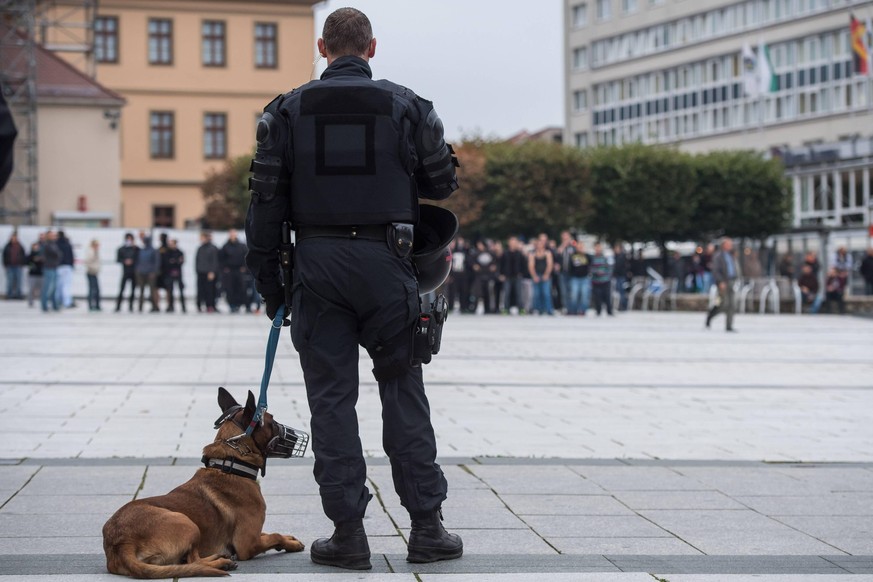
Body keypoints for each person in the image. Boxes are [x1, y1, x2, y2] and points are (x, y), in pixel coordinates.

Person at [245, 8, 462, 570]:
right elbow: (443, 181)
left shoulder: (285, 111)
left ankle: (348, 534)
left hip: (315, 267)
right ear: (371, 48)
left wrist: (273, 287)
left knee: (331, 403)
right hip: (389, 264)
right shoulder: (409, 106)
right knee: (402, 390)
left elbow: (264, 206)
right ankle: (427, 529)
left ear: (322, 47)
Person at [705, 238, 739, 332]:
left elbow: (734, 268)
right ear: (724, 245)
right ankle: (710, 315)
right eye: (729, 244)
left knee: (732, 304)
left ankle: (729, 325)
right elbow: (715, 270)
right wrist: (720, 281)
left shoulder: (731, 255)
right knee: (723, 304)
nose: (731, 246)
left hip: (732, 281)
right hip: (723, 283)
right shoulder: (718, 256)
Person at [219, 229, 248, 313]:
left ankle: (239, 304)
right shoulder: (225, 246)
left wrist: (244, 267)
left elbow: (246, 257)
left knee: (240, 288)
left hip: (239, 271)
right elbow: (221, 259)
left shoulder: (242, 246)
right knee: (229, 289)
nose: (232, 235)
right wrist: (224, 268)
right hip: (229, 271)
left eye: (233, 234)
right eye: (230, 234)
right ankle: (232, 305)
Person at [528, 237, 554, 315]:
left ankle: (549, 310)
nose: (539, 246)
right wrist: (534, 276)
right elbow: (531, 266)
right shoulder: (532, 253)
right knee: (537, 293)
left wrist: (546, 275)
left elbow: (550, 265)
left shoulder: (547, 253)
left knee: (546, 293)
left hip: (545, 275)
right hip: (536, 275)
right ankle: (539, 309)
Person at [134, 235, 160, 312]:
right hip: (141, 272)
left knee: (152, 291)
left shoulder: (153, 251)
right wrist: (137, 270)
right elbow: (138, 261)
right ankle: (140, 306)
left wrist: (154, 272)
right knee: (141, 291)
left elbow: (156, 262)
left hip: (150, 273)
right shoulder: (141, 250)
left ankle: (154, 306)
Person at [195, 231, 219, 313]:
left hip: (209, 273)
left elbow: (214, 261)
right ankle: (199, 306)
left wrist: (212, 271)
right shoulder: (200, 248)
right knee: (200, 290)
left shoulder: (213, 248)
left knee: (210, 290)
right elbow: (197, 260)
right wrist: (197, 270)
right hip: (200, 272)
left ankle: (210, 306)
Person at [115, 233, 139, 312]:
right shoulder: (121, 249)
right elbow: (118, 259)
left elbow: (139, 258)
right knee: (122, 289)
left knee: (133, 290)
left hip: (133, 272)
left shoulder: (136, 249)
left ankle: (131, 306)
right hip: (125, 272)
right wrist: (124, 261)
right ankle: (118, 306)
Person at [565, 241, 591, 315]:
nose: (580, 248)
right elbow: (569, 267)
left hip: (585, 278)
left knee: (584, 295)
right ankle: (573, 310)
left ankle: (583, 310)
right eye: (578, 247)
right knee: (574, 295)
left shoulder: (587, 256)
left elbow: (591, 264)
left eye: (581, 247)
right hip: (575, 278)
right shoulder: (573, 256)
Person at [590, 242, 613, 316]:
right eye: (596, 247)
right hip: (596, 281)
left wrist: (605, 273)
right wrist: (596, 272)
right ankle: (598, 311)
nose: (598, 249)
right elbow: (590, 268)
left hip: (605, 280)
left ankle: (609, 311)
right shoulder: (592, 258)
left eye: (599, 247)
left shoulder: (606, 257)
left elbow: (610, 268)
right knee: (597, 297)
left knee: (607, 296)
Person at [40, 231, 61, 313]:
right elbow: (55, 254)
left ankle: (54, 304)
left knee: (54, 287)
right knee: (47, 287)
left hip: (54, 267)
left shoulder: (54, 244)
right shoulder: (47, 245)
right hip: (49, 267)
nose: (54, 237)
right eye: (52, 235)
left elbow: (59, 254)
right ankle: (44, 305)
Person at [164, 238, 186, 313]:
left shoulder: (179, 252)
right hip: (169, 274)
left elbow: (181, 262)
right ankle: (171, 306)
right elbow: (166, 262)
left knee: (181, 290)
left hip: (178, 273)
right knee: (170, 291)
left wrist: (174, 262)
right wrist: (174, 262)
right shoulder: (167, 252)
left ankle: (183, 306)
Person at [3, 232, 26, 299]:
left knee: (19, 281)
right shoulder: (7, 246)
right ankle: (9, 295)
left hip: (18, 266)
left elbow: (23, 255)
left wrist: (22, 263)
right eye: (12, 238)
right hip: (10, 266)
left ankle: (18, 295)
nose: (14, 239)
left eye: (15, 238)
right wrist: (5, 264)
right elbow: (4, 256)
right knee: (10, 281)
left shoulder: (20, 246)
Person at [55, 230, 75, 308]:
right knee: (67, 285)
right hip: (67, 266)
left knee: (58, 285)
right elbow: (71, 255)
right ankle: (67, 302)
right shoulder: (67, 244)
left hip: (59, 266)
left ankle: (58, 301)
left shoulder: (56, 244)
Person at [26, 238, 44, 308]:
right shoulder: (30, 255)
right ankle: (30, 302)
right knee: (31, 289)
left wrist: (39, 260)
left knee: (41, 289)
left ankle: (42, 301)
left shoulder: (42, 254)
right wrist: (33, 261)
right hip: (32, 274)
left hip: (40, 274)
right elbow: (27, 262)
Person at [84, 239, 101, 311]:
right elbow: (87, 262)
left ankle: (97, 305)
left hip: (95, 272)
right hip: (91, 272)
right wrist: (92, 268)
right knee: (92, 289)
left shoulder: (95, 252)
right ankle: (91, 304)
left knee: (96, 289)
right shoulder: (91, 252)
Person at [613, 243, 630, 311]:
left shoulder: (621, 257)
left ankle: (623, 305)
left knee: (622, 292)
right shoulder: (617, 256)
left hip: (621, 276)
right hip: (619, 276)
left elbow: (619, 267)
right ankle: (622, 305)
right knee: (620, 292)